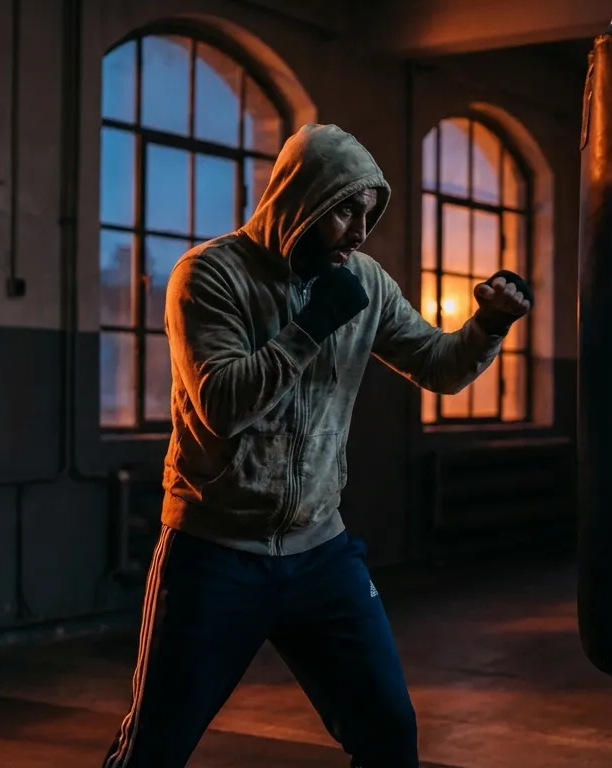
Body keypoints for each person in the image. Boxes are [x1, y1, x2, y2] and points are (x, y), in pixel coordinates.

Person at [103, 123, 533, 768]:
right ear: (299, 200)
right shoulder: (209, 274)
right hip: (215, 549)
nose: (359, 232)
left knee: (389, 733)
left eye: (368, 215)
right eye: (344, 212)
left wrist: (488, 325)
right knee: (154, 749)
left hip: (320, 551)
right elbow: (222, 406)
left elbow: (438, 367)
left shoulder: (365, 281)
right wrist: (311, 325)